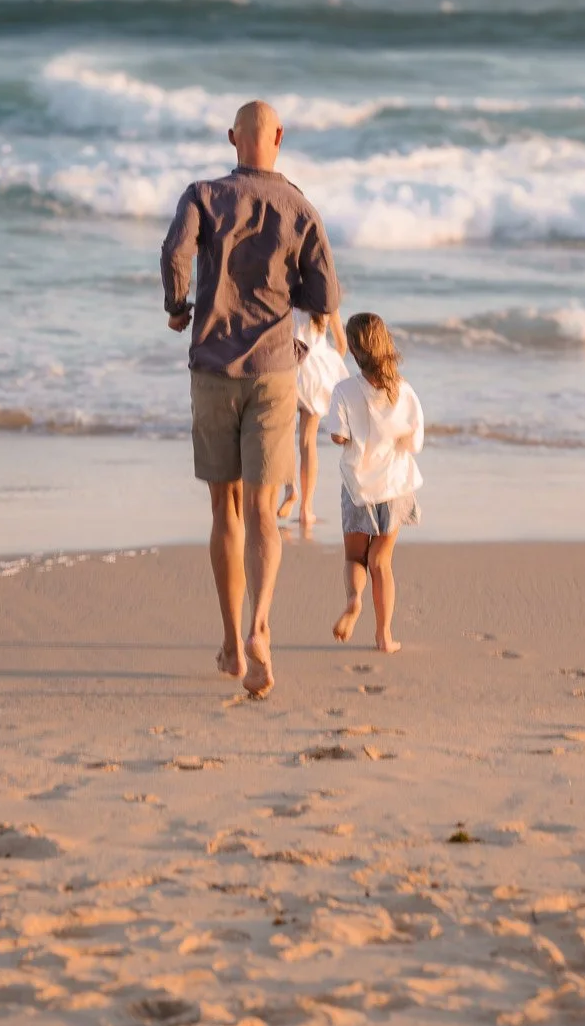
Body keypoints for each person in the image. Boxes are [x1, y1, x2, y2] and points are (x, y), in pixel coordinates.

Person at [161, 98, 340, 699]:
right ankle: (263, 623)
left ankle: (233, 642)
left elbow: (174, 253)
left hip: (213, 367)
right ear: (279, 138)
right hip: (272, 371)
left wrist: (177, 306)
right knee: (267, 512)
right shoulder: (299, 208)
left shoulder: (203, 195)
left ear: (232, 138)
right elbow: (325, 295)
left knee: (225, 509)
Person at [326, 312, 424, 653]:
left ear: (352, 348)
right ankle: (384, 637)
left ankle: (354, 601)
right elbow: (414, 442)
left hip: (358, 489)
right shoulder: (404, 392)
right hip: (394, 487)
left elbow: (337, 436)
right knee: (381, 562)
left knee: (355, 559)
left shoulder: (343, 390)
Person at [278, 308, 350, 529]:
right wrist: (328, 361)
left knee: (283, 434)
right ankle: (307, 509)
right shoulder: (326, 301)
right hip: (317, 370)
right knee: (308, 442)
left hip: (291, 363)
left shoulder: (288, 294)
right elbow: (342, 344)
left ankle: (290, 488)